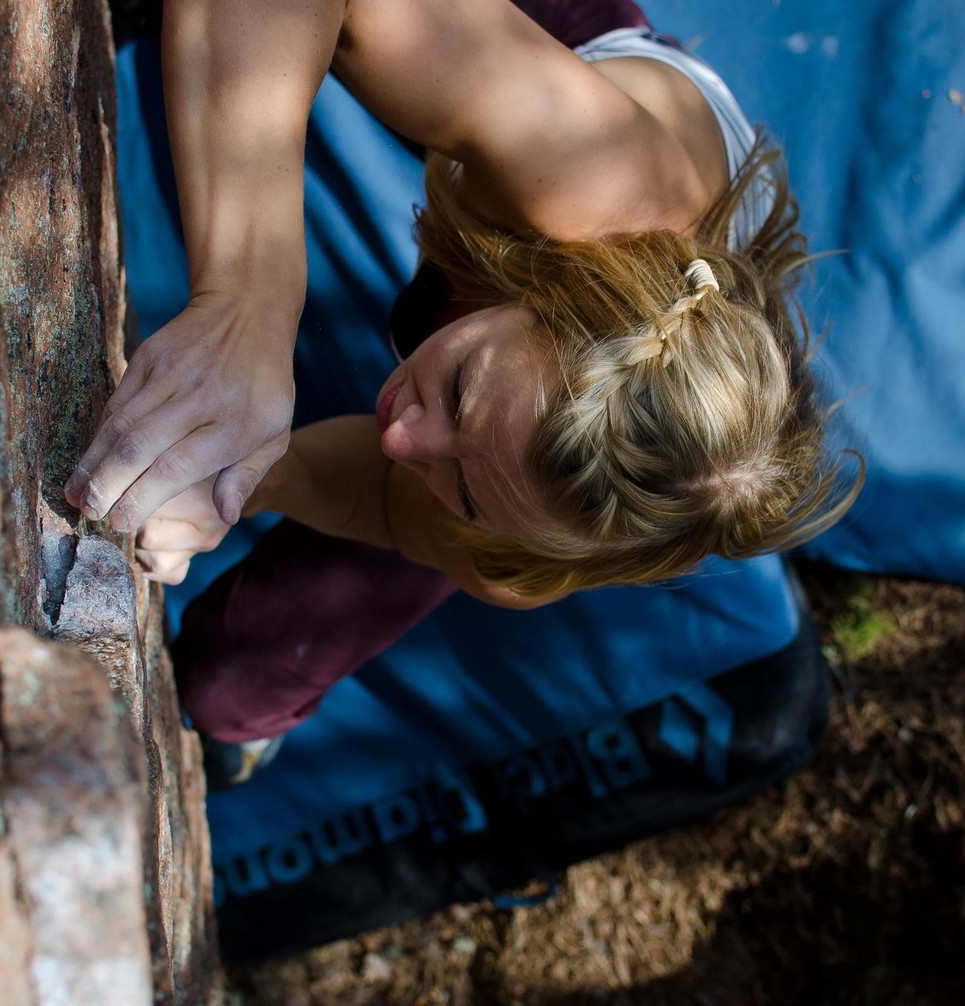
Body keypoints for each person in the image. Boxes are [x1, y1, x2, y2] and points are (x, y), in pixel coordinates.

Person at [74, 0, 861, 784]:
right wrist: (247, 304)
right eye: (461, 387)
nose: (398, 437)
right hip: (574, 94)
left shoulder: (528, 550)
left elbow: (385, 500)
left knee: (233, 686)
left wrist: (240, 478)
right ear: (545, 288)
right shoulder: (583, 166)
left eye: (467, 492)